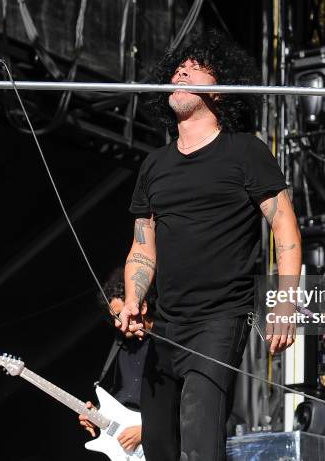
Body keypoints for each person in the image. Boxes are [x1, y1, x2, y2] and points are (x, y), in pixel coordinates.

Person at [118, 31, 302, 461]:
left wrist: (286, 303)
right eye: (178, 67)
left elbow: (286, 229)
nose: (181, 71)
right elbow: (143, 247)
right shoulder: (155, 165)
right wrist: (132, 298)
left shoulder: (244, 152)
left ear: (218, 90)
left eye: (195, 67)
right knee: (160, 446)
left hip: (219, 319)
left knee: (200, 440)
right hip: (166, 324)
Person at [79, 267, 155, 452]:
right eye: (113, 317)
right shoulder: (120, 346)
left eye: (120, 315)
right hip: (125, 447)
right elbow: (122, 397)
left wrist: (149, 430)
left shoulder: (168, 344)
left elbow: (188, 400)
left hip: (160, 440)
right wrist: (96, 414)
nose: (117, 324)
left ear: (142, 307)